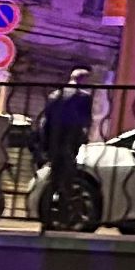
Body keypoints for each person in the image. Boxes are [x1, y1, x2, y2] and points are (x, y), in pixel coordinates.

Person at [34, 68, 95, 227]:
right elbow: (85, 123)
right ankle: (64, 217)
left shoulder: (55, 95)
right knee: (68, 181)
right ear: (83, 80)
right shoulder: (84, 97)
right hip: (70, 143)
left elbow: (45, 123)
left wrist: (44, 144)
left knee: (53, 180)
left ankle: (47, 218)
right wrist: (83, 139)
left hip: (54, 143)